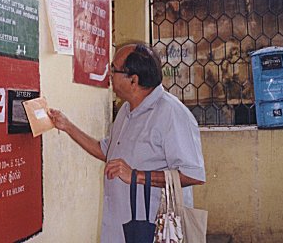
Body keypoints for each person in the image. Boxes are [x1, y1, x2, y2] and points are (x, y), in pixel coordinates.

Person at [48, 43, 205, 243]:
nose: (109, 75)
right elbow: (107, 152)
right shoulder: (126, 110)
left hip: (154, 229)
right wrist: (67, 126)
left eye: (114, 70)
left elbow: (193, 174)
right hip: (119, 226)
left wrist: (136, 176)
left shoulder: (172, 114)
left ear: (133, 80)